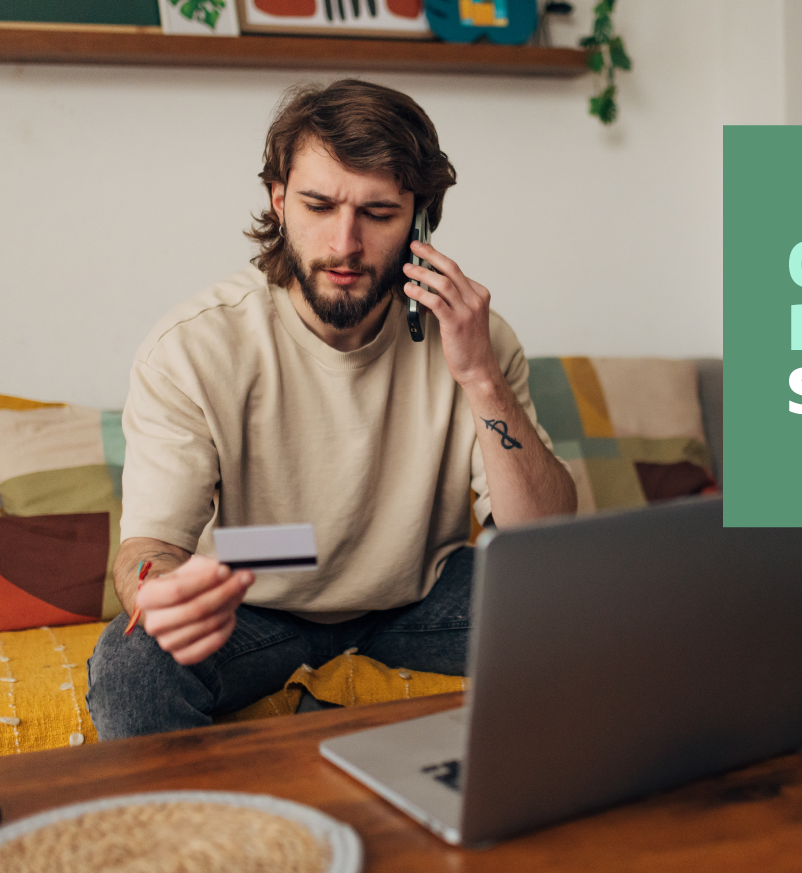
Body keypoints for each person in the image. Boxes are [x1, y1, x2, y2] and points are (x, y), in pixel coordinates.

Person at [87, 79, 577, 740]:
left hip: (416, 593)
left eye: (377, 213)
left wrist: (480, 377)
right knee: (131, 665)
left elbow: (541, 538)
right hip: (254, 603)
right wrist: (156, 591)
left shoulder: (473, 340)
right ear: (280, 201)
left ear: (420, 219)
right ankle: (203, 841)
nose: (344, 244)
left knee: (594, 605)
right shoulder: (194, 347)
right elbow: (150, 550)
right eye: (319, 205)